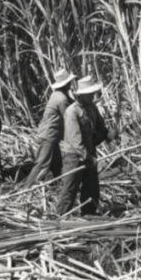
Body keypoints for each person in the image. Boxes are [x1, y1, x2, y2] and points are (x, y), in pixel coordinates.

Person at [56, 75, 117, 216]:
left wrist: (110, 134)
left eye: (92, 94)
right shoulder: (72, 111)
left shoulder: (92, 108)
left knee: (92, 188)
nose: (92, 96)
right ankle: (60, 218)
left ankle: (88, 215)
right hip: (74, 156)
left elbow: (100, 128)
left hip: (89, 152)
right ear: (81, 96)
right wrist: (88, 157)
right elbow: (75, 140)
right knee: (69, 188)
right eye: (89, 94)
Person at [22, 69, 75, 189]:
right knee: (41, 163)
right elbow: (69, 116)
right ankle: (27, 189)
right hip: (49, 135)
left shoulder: (58, 94)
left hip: (52, 135)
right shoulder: (61, 98)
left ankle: (59, 185)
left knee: (56, 164)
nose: (71, 84)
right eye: (69, 82)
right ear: (66, 84)